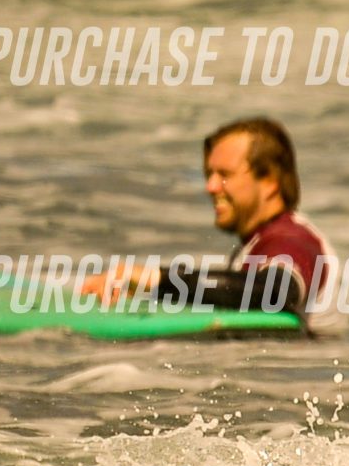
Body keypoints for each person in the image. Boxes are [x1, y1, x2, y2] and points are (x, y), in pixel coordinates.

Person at [87, 116, 334, 318]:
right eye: (209, 174)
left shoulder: (293, 239)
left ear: (269, 181)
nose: (211, 186)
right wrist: (154, 292)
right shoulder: (259, 243)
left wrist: (159, 279)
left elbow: (274, 292)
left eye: (225, 174)